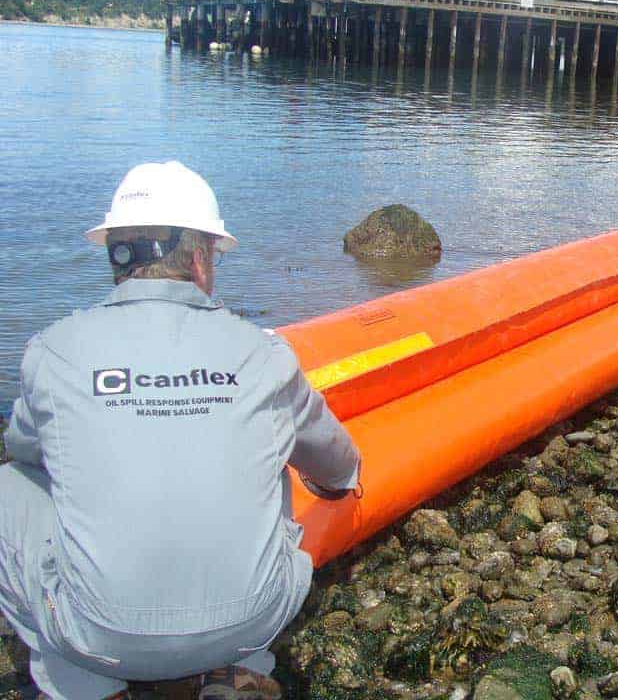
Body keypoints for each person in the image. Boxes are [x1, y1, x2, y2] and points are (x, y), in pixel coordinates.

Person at [0, 162, 361, 700]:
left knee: (11, 487)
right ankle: (227, 669)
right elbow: (335, 465)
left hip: (96, 636)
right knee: (272, 453)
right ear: (198, 259)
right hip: (253, 623)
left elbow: (26, 457)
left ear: (115, 256)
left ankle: (83, 683)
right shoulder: (264, 354)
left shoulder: (53, 351)